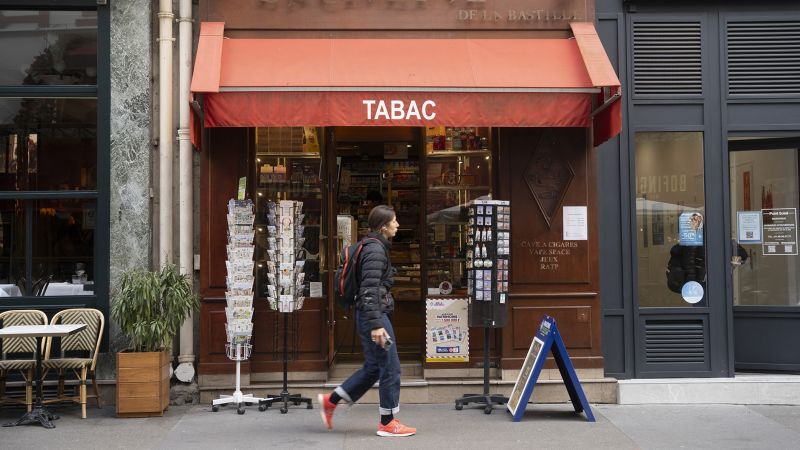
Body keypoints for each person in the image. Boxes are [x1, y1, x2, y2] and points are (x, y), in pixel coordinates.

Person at [318, 205, 416, 437]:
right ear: (383, 226)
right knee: (391, 367)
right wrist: (377, 324)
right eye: (394, 221)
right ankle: (387, 422)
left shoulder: (369, 245)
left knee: (374, 368)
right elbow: (369, 290)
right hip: (375, 316)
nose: (398, 225)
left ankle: (330, 401)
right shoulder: (375, 251)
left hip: (368, 314)